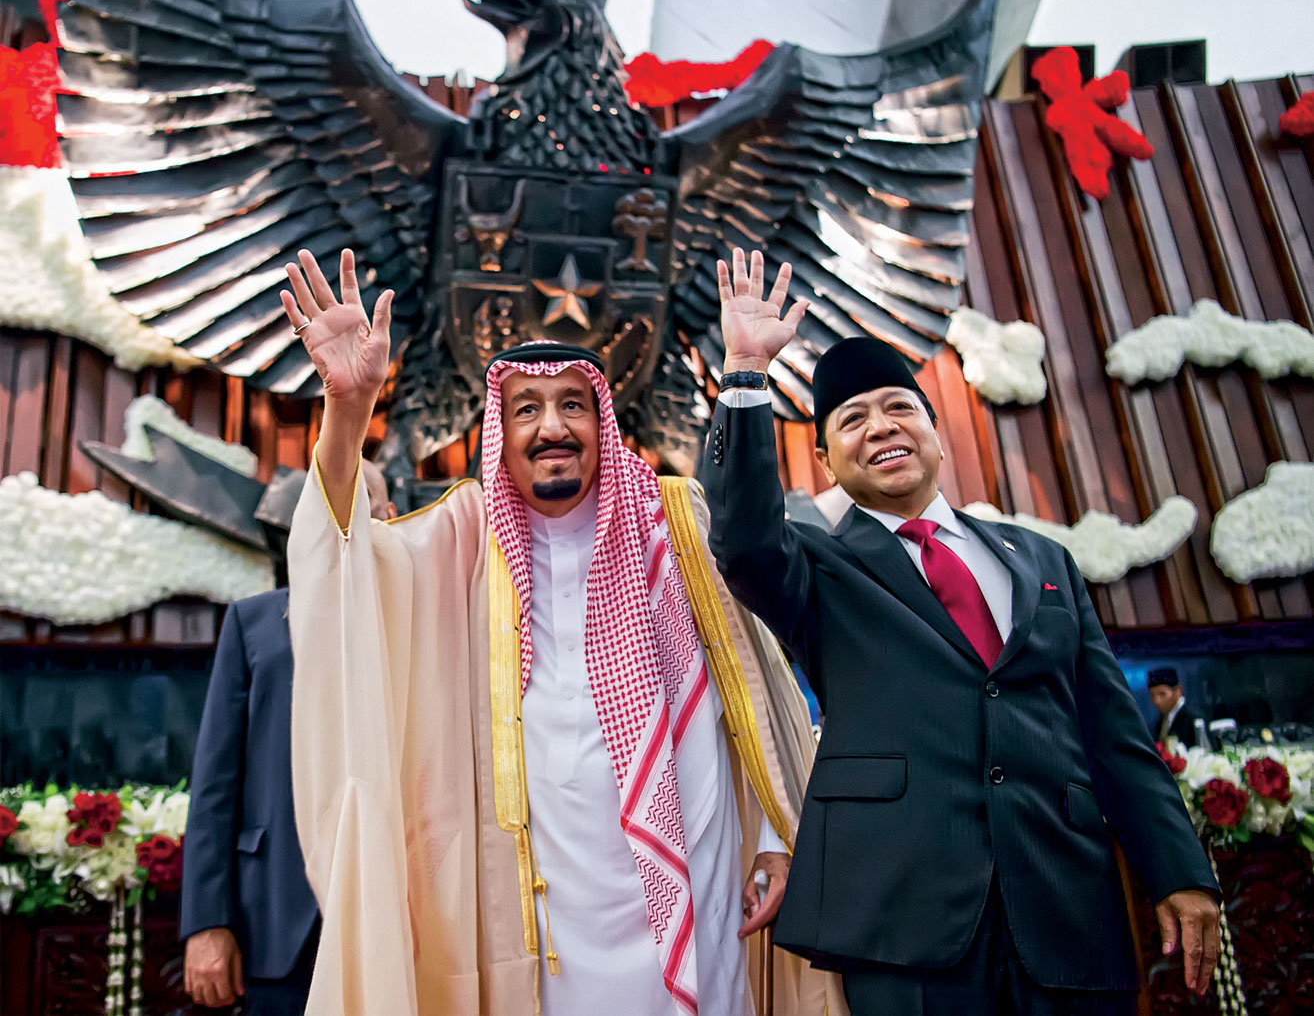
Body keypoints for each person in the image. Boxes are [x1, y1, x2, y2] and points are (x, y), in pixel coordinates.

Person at [277, 249, 836, 1016]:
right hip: (535, 911)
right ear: (499, 434)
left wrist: (775, 832)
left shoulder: (675, 523)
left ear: (603, 423)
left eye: (573, 405)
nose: (552, 427)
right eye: (526, 410)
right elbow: (344, 562)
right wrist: (348, 411)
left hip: (695, 885)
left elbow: (757, 685)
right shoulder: (465, 542)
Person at [699, 248, 1223, 1016]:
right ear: (825, 460)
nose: (881, 427)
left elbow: (1113, 731)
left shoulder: (1043, 560)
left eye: (899, 407)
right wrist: (746, 374)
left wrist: (1179, 870)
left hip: (1066, 906)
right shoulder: (815, 568)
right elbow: (743, 533)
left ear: (935, 431)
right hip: (905, 922)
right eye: (852, 420)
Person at [180, 462, 397, 1014]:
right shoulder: (251, 624)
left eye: (361, 500)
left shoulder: (423, 621)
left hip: (400, 916)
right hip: (277, 917)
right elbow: (215, 784)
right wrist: (206, 923)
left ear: (390, 516)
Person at [1149, 667, 1214, 749]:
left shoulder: (1193, 717)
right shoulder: (1160, 721)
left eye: (1162, 694)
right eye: (1152, 695)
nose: (1156, 701)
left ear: (1178, 691)